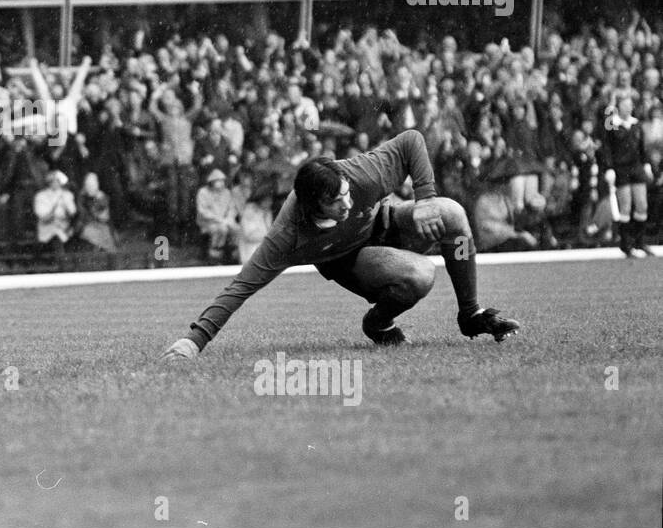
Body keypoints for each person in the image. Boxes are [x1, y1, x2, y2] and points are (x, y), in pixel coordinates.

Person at [162, 130, 520, 359]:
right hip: (351, 261)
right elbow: (240, 287)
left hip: (386, 223)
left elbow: (412, 140)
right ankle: (379, 324)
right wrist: (194, 342)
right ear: (313, 206)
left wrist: (425, 198)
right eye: (336, 202)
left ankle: (470, 314)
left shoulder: (360, 174)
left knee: (451, 214)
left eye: (347, 194)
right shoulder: (289, 236)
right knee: (420, 274)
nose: (347, 203)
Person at [598, 92, 653, 257]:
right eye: (624, 104)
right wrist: (609, 167)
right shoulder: (613, 124)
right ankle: (625, 244)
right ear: (618, 107)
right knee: (626, 206)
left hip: (636, 167)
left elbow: (642, 147)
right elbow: (606, 146)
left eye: (630, 105)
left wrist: (647, 164)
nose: (627, 107)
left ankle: (639, 241)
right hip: (621, 168)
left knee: (642, 204)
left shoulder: (636, 124)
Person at [195, 169, 237, 262]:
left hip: (225, 221)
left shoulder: (227, 192)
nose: (221, 183)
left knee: (236, 229)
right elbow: (202, 211)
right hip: (208, 222)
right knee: (221, 229)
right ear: (212, 181)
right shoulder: (203, 192)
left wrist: (229, 218)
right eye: (218, 180)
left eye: (222, 180)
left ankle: (233, 253)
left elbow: (232, 208)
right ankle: (214, 252)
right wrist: (218, 219)